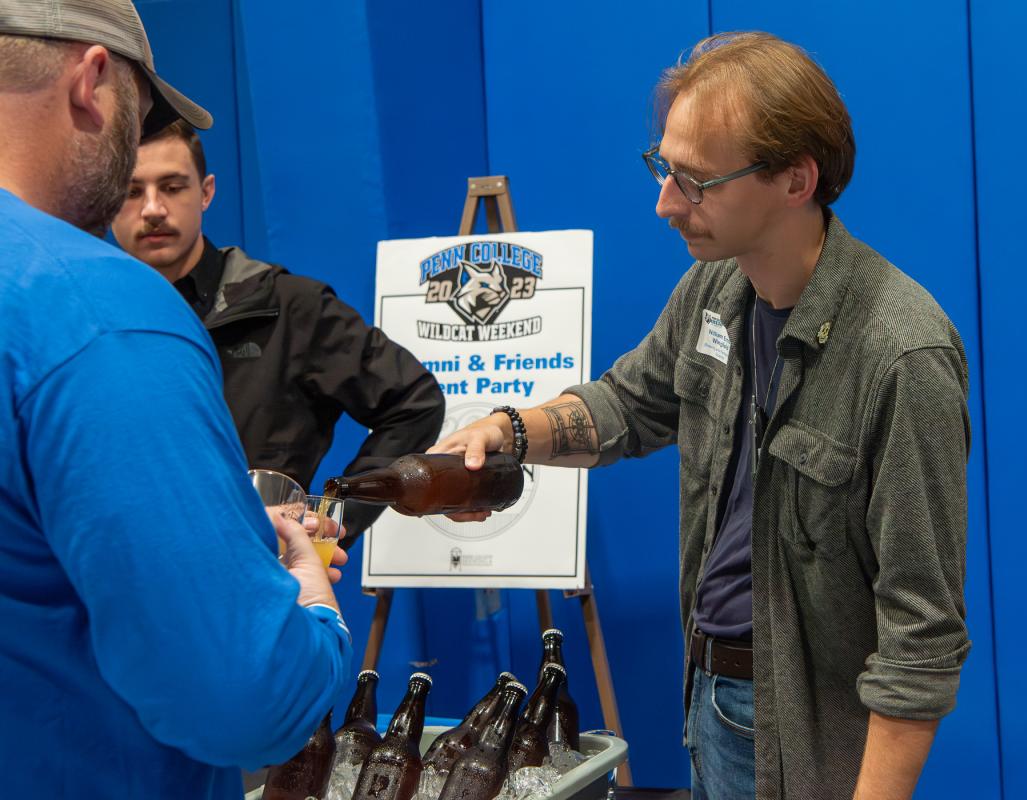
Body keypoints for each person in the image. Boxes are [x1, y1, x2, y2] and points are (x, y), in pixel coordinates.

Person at [432, 32, 971, 800]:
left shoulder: (899, 354)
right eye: (663, 167)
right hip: (709, 697)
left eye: (695, 181)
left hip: (811, 730)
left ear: (795, 180)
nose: (664, 204)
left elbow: (921, 635)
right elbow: (630, 402)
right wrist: (509, 431)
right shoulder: (715, 291)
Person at [0, 2, 353, 797]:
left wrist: (202, 532)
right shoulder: (95, 309)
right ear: (94, 83)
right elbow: (243, 698)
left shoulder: (290, 301)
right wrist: (311, 603)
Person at [111, 121, 445, 543]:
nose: (153, 208)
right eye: (131, 191)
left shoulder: (290, 308)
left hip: (263, 580)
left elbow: (414, 402)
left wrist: (334, 520)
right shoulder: (82, 318)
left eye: (173, 187)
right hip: (125, 580)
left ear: (206, 192)